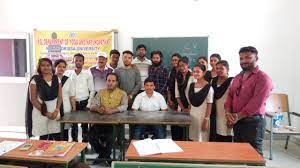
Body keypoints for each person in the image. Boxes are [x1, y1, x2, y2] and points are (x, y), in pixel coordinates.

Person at [225, 46, 273, 155]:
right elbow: (230, 96)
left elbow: (256, 103)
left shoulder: (263, 78)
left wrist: (236, 117)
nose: (244, 61)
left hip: (253, 123)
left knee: (253, 156)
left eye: (248, 57)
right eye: (241, 59)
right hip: (238, 122)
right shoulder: (238, 77)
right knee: (238, 153)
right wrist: (228, 112)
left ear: (256, 58)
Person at [89, 73, 128, 166]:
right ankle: (105, 155)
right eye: (108, 81)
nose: (110, 83)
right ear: (106, 81)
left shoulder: (122, 93)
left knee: (110, 138)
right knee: (90, 137)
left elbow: (124, 106)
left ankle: (103, 156)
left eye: (113, 81)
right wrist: (98, 109)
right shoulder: (100, 92)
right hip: (100, 122)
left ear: (117, 83)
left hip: (114, 124)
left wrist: (112, 110)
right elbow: (92, 106)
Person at [25, 58, 62, 140]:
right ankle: (44, 153)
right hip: (40, 111)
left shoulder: (56, 79)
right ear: (39, 67)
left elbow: (60, 97)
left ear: (51, 66)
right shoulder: (35, 80)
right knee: (43, 138)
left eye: (48, 65)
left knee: (57, 137)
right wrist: (46, 113)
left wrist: (56, 110)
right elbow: (33, 100)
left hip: (54, 111)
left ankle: (56, 153)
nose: (46, 67)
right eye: (43, 65)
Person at [68, 53, 95, 142]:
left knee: (85, 125)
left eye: (80, 61)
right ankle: (74, 143)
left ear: (83, 62)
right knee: (73, 125)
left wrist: (89, 104)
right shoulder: (68, 74)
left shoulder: (88, 73)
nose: (78, 62)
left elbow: (92, 90)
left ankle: (84, 144)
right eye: (76, 60)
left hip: (84, 103)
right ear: (73, 61)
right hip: (73, 103)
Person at [188, 64, 214, 141]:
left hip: (202, 117)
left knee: (201, 139)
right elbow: (191, 101)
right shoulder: (192, 85)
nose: (195, 73)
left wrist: (206, 120)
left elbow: (209, 105)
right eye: (194, 71)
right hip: (193, 116)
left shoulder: (209, 87)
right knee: (193, 138)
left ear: (204, 73)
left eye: (198, 71)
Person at [211, 60, 233, 142]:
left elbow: (234, 99)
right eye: (217, 68)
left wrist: (231, 114)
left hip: (227, 112)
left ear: (227, 69)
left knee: (226, 135)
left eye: (221, 68)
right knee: (216, 135)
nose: (219, 70)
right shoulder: (213, 81)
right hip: (215, 113)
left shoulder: (232, 81)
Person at [54, 59, 76, 141]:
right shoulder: (50, 79)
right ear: (55, 67)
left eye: (63, 67)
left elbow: (72, 96)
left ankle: (64, 151)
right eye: (59, 66)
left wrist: (74, 108)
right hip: (53, 108)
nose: (61, 69)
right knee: (54, 131)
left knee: (65, 131)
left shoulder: (69, 80)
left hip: (66, 109)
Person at [172, 56, 194, 140]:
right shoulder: (177, 77)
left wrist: (190, 107)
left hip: (192, 106)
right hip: (181, 106)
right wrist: (183, 108)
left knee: (191, 129)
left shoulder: (193, 76)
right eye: (179, 66)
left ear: (187, 65)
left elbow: (194, 93)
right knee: (180, 129)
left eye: (183, 65)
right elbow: (177, 95)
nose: (181, 67)